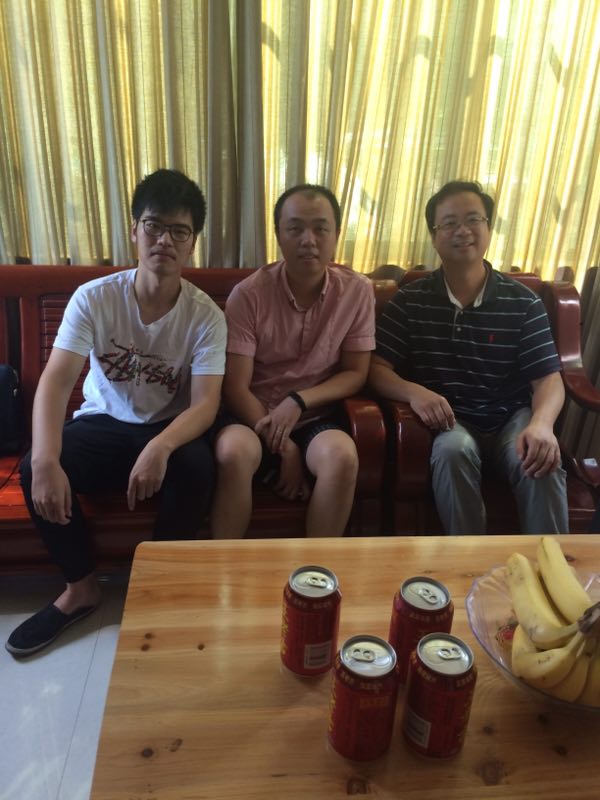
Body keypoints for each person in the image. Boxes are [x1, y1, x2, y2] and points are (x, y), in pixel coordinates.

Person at [7, 169, 226, 657]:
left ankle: (159, 586)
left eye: (179, 231)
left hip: (168, 427)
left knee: (196, 466)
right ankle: (81, 588)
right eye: (154, 226)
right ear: (134, 231)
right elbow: (56, 381)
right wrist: (44, 458)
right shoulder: (95, 298)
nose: (164, 240)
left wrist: (161, 446)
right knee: (34, 469)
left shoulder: (205, 315)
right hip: (103, 422)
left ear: (193, 243)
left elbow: (205, 404)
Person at [369, 180, 569, 534]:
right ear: (434, 237)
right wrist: (415, 392)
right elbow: (377, 369)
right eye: (449, 223)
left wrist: (541, 424)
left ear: (488, 228)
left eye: (473, 219)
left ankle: (550, 563)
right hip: (452, 422)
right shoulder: (410, 301)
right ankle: (468, 561)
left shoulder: (523, 303)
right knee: (452, 452)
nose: (462, 231)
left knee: (540, 455)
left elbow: (548, 378)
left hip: (512, 417)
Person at [211, 183, 375, 539]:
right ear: (278, 234)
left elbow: (355, 373)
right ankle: (223, 566)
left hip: (315, 416)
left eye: (320, 228)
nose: (308, 240)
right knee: (233, 452)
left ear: (337, 234)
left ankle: (315, 568)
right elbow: (235, 387)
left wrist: (298, 401)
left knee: (342, 457)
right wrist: (285, 447)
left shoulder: (358, 290)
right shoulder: (249, 294)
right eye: (295, 228)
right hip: (252, 415)